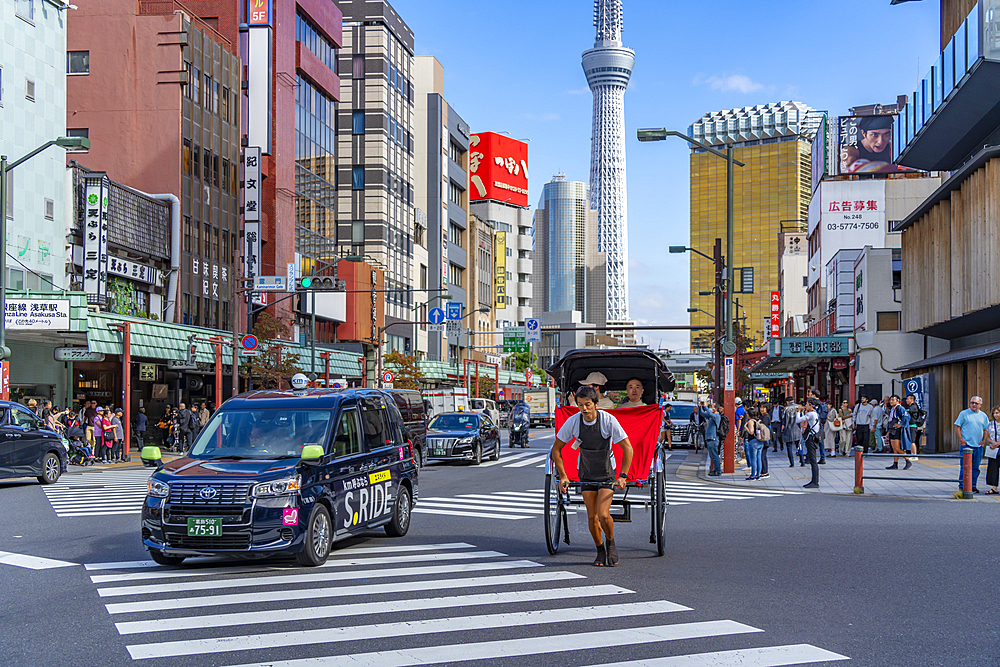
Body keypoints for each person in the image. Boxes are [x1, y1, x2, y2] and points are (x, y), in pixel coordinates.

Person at [551, 385, 634, 567]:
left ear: (596, 403)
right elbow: (556, 450)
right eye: (580, 405)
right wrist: (563, 475)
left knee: (603, 515)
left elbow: (628, 447)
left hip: (606, 473)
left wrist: (623, 475)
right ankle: (600, 550)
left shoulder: (607, 420)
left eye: (588, 404)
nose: (584, 409)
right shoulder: (573, 422)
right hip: (587, 473)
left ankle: (610, 543)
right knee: (592, 517)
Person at [955, 396, 989, 493]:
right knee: (964, 466)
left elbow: (985, 429)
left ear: (980, 405)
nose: (974, 405)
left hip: (978, 446)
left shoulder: (983, 416)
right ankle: (962, 485)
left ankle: (972, 485)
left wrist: (984, 441)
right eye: (972, 403)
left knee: (975, 467)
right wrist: (961, 439)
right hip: (966, 445)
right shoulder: (964, 413)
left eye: (976, 403)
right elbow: (958, 427)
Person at [796, 399, 821, 488]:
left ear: (811, 405)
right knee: (813, 460)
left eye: (807, 404)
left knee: (813, 461)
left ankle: (815, 482)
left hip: (811, 439)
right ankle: (814, 481)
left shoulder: (810, 414)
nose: (805, 406)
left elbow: (798, 420)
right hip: (814, 438)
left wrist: (799, 411)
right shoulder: (815, 413)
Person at [884, 395, 912, 470]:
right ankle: (895, 464)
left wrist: (901, 424)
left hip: (897, 430)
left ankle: (907, 460)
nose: (891, 401)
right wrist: (888, 431)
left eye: (893, 400)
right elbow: (890, 421)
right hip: (891, 429)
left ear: (897, 401)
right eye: (891, 400)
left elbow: (907, 417)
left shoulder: (900, 408)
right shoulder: (892, 409)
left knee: (897, 448)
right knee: (894, 448)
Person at [741, 406, 766, 481]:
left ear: (749, 414)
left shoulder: (750, 421)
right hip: (760, 441)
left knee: (753, 459)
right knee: (759, 459)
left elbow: (751, 432)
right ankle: (758, 475)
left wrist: (746, 427)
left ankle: (752, 475)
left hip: (753, 441)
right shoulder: (759, 420)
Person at [782, 397, 802, 468]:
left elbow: (783, 420)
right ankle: (802, 461)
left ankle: (792, 463)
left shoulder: (786, 409)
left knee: (789, 446)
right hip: (797, 428)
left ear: (787, 402)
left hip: (789, 429)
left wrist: (783, 427)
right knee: (798, 446)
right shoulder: (799, 407)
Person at [703, 402, 722, 476]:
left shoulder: (716, 416)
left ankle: (718, 470)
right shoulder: (712, 416)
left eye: (712, 406)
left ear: (716, 408)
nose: (710, 407)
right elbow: (704, 414)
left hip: (713, 438)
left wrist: (706, 407)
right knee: (712, 456)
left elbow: (710, 414)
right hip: (710, 438)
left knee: (715, 455)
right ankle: (716, 469)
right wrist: (701, 407)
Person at [986, 406, 1000, 495]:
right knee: (993, 468)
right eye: (994, 413)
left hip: (998, 445)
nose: (995, 415)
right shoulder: (990, 424)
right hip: (993, 448)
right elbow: (987, 436)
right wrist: (993, 443)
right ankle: (994, 487)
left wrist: (998, 443)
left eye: (997, 413)